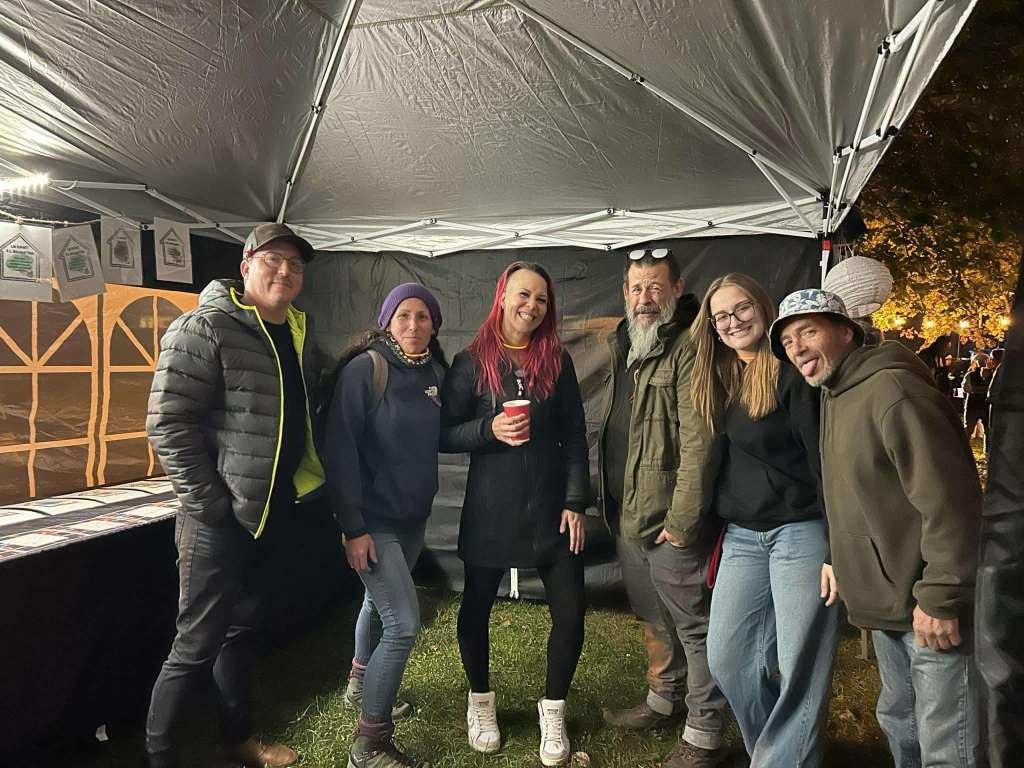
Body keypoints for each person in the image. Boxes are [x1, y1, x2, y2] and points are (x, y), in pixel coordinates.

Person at [771, 288, 982, 768]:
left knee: (947, 743)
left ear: (846, 332)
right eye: (787, 342)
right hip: (889, 605)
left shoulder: (894, 392)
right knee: (901, 725)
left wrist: (941, 596)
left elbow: (952, 502)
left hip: (928, 606)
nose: (797, 348)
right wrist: (840, 558)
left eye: (808, 331)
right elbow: (856, 496)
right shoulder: (834, 393)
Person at [144, 223, 325, 768]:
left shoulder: (295, 332)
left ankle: (238, 738)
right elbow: (167, 423)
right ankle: (160, 757)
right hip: (217, 520)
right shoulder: (205, 326)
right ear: (245, 266)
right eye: (273, 260)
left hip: (269, 514)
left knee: (241, 631)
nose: (285, 271)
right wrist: (211, 505)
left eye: (295, 264)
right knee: (195, 642)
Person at [440, 261, 589, 767]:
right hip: (491, 508)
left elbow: (575, 436)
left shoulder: (557, 360)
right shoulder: (470, 361)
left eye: (541, 299)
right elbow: (444, 434)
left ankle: (553, 709)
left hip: (550, 508)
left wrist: (575, 501)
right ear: (502, 296)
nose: (532, 306)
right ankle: (480, 701)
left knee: (570, 610)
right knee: (477, 606)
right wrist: (489, 429)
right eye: (523, 295)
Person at [689, 274, 838, 767]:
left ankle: (781, 760)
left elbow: (825, 462)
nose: (733, 321)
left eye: (742, 308)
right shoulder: (720, 377)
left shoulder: (792, 372)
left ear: (763, 308)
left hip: (800, 530)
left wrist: (837, 548)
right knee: (728, 658)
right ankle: (780, 752)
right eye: (721, 316)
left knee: (800, 666)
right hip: (743, 536)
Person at [597, 247, 726, 768]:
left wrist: (682, 522)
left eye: (655, 287)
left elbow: (701, 442)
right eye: (636, 288)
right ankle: (664, 699)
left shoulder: (691, 347)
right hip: (629, 513)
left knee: (694, 626)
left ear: (676, 290)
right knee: (653, 616)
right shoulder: (628, 342)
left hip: (669, 519)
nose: (644, 298)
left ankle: (704, 731)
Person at [325, 283, 447, 768]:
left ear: (434, 325)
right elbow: (340, 449)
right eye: (403, 316)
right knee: (403, 624)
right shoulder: (366, 369)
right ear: (387, 322)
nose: (414, 325)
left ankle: (360, 683)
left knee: (376, 605)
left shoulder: (434, 373)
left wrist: (493, 429)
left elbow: (445, 434)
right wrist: (353, 527)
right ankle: (369, 744)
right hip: (372, 522)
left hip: (412, 518)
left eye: (423, 316)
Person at [962, 351, 992, 446]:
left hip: (973, 404)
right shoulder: (991, 375)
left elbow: (966, 389)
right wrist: (984, 390)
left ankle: (964, 448)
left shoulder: (970, 375)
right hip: (984, 404)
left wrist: (976, 390)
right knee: (987, 430)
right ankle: (987, 449)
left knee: (969, 429)